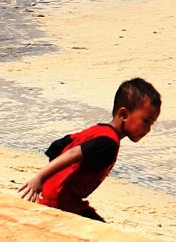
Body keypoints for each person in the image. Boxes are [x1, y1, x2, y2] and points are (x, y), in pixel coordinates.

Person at [19, 78, 161, 219]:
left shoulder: (96, 130)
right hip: (62, 203)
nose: (148, 129)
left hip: (62, 198)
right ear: (123, 115)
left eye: (152, 124)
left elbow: (58, 146)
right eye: (146, 121)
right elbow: (73, 153)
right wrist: (40, 178)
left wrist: (53, 182)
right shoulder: (108, 143)